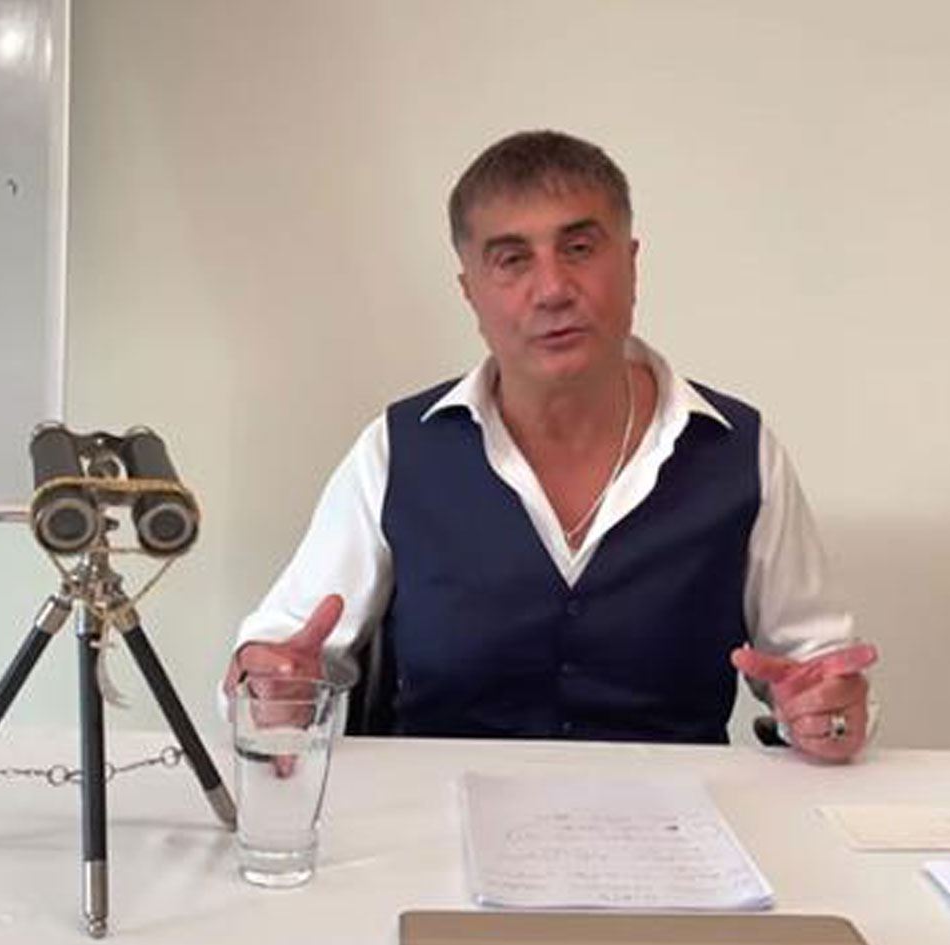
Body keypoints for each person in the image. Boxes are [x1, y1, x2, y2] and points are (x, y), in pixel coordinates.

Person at [224, 130, 875, 762]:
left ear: (632, 264)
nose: (554, 289)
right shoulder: (398, 449)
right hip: (432, 817)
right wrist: (272, 690)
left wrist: (826, 712)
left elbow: (820, 670)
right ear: (470, 291)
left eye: (580, 248)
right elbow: (277, 659)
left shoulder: (739, 451)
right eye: (512, 260)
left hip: (676, 820)